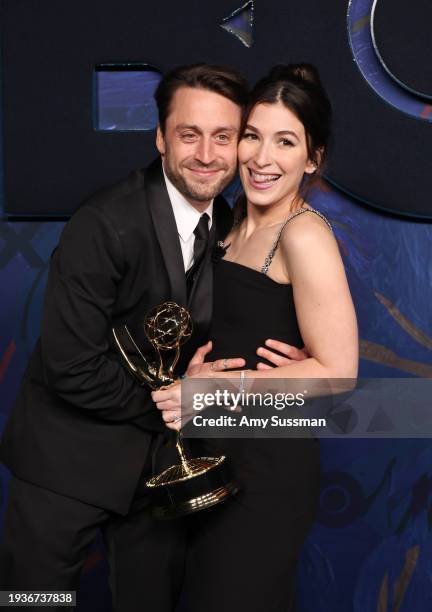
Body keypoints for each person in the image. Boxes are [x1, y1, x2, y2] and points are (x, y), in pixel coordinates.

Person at [0, 64, 302, 611]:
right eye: (189, 134)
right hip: (65, 467)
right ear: (161, 139)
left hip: (155, 478)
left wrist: (281, 352)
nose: (207, 154)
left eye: (224, 137)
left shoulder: (232, 220)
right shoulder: (104, 223)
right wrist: (176, 402)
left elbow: (223, 329)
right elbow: (72, 367)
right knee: (32, 602)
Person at [152, 64, 358, 611]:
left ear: (312, 158)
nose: (261, 158)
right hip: (215, 460)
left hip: (268, 472)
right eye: (252, 135)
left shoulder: (304, 233)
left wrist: (216, 393)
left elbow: (339, 371)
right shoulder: (231, 221)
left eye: (285, 142)